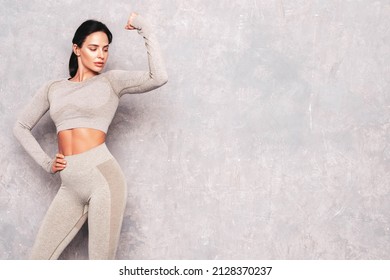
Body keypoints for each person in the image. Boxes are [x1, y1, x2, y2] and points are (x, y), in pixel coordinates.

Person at [13, 12, 168, 260]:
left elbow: (158, 77)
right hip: (70, 185)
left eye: (105, 49)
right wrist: (46, 163)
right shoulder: (54, 88)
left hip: (103, 180)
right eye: (94, 48)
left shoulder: (111, 82)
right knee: (37, 263)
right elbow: (20, 126)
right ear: (77, 49)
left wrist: (144, 28)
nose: (101, 56)